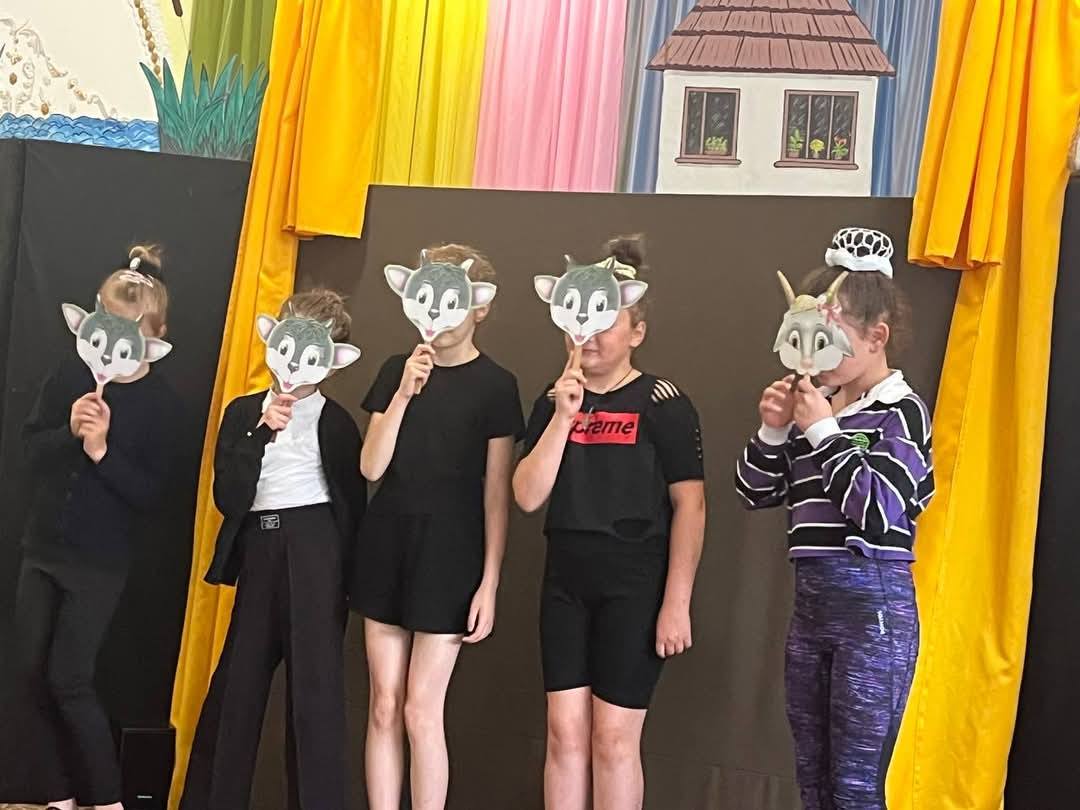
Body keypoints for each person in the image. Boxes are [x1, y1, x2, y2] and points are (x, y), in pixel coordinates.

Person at [735, 229, 935, 810]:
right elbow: (754, 492)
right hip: (812, 608)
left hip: (872, 609)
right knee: (814, 779)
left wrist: (823, 430)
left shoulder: (901, 411)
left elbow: (877, 510)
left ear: (877, 337)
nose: (813, 354)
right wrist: (774, 430)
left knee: (855, 787)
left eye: (830, 338)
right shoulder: (815, 404)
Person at [513, 236, 707, 810]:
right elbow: (526, 496)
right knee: (564, 733)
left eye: (607, 322)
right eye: (582, 321)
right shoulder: (552, 401)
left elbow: (691, 506)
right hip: (566, 579)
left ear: (636, 332)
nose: (591, 336)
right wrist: (562, 417)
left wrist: (676, 602)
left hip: (635, 580)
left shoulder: (664, 402)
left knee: (614, 739)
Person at [352, 244, 523, 810]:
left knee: (421, 710)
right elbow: (371, 467)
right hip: (387, 543)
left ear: (480, 308)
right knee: (383, 703)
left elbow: (496, 493)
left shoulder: (496, 384)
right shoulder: (394, 371)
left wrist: (489, 582)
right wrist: (404, 391)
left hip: (452, 555)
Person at [180, 289, 366, 810]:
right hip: (259, 546)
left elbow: (353, 507)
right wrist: (261, 433)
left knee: (315, 694)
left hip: (316, 550)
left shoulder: (336, 422)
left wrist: (347, 582)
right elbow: (228, 496)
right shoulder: (242, 412)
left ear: (331, 360)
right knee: (237, 686)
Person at [16, 245, 180, 810]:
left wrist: (103, 452)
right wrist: (68, 431)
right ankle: (56, 795)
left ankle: (108, 800)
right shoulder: (69, 374)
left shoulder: (161, 405)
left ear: (155, 338)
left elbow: (153, 496)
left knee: (69, 679)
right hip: (42, 548)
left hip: (98, 564)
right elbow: (29, 452)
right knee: (27, 675)